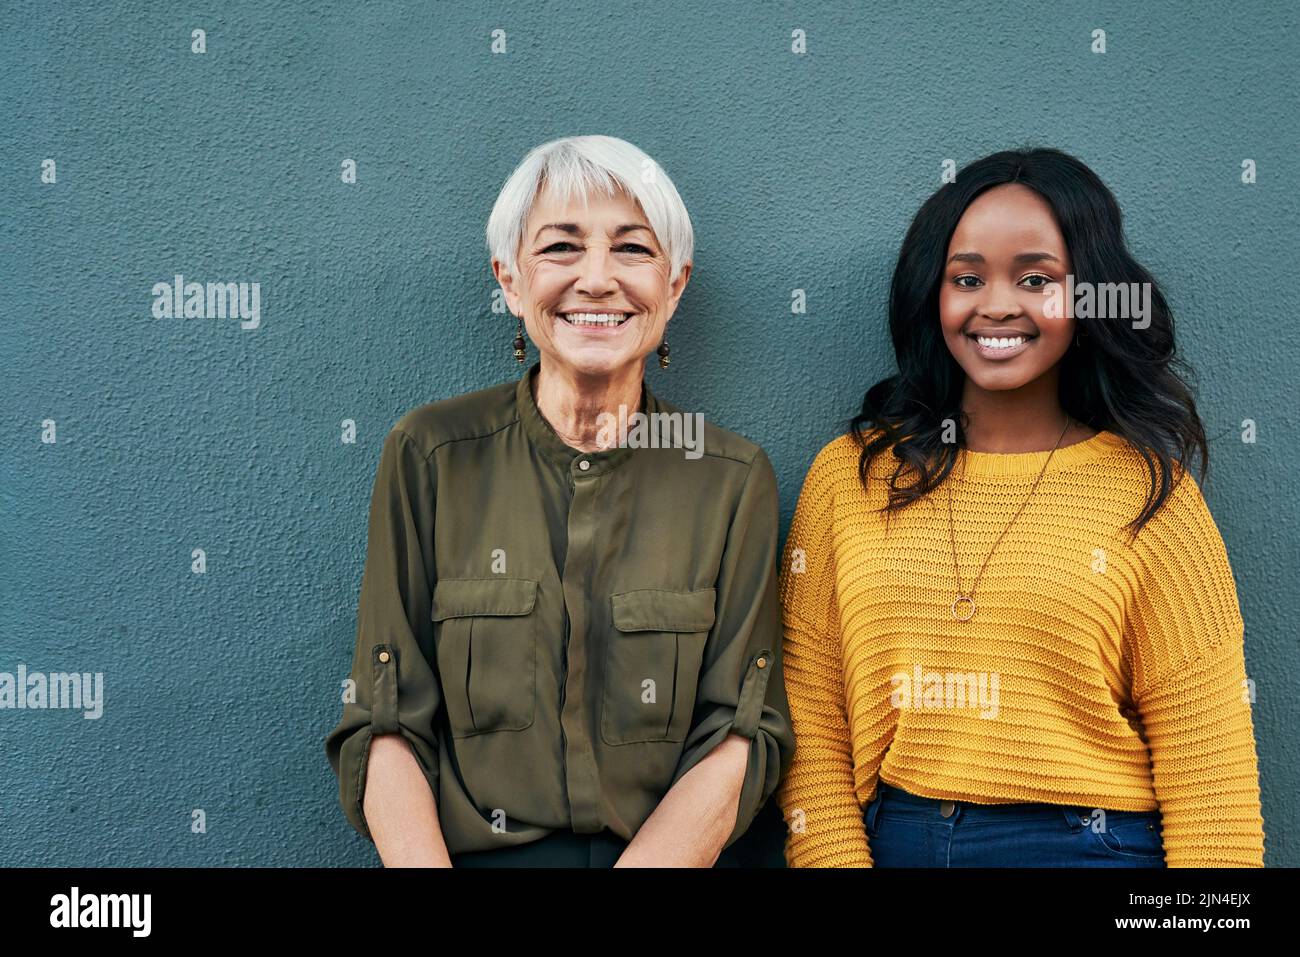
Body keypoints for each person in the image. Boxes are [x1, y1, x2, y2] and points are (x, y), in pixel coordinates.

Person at [776, 148, 1266, 867]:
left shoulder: (1153, 495)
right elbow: (810, 721)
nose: (998, 304)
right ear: (932, 295)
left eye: (1036, 279)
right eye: (966, 278)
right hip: (896, 840)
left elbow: (1212, 788)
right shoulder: (849, 478)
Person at [325, 134, 795, 867]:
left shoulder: (730, 478)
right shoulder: (430, 455)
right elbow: (386, 720)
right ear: (510, 280)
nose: (598, 280)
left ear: (674, 287)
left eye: (633, 249)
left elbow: (739, 734)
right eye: (562, 249)